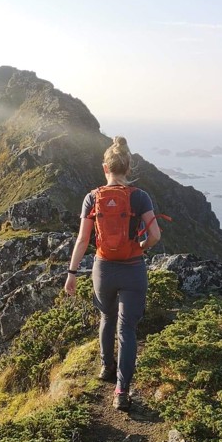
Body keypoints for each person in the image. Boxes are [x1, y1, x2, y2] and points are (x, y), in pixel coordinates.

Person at [64, 136, 161, 410]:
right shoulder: (140, 197)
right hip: (132, 269)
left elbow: (83, 240)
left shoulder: (91, 198)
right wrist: (141, 246)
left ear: (105, 168)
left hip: (103, 268)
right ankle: (121, 391)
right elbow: (155, 234)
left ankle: (106, 368)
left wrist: (72, 272)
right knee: (127, 329)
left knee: (106, 317)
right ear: (128, 168)